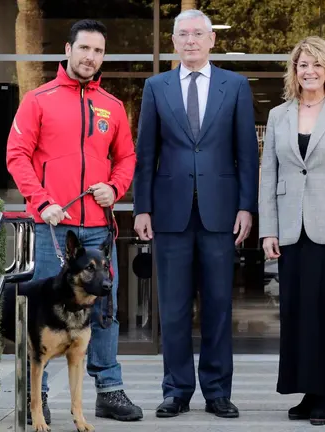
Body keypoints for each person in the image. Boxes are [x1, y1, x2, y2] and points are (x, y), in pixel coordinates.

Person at [6, 19, 143, 423]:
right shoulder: (38, 99)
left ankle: (110, 391)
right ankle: (39, 396)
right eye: (84, 48)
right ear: (68, 50)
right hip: (53, 228)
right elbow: (17, 154)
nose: (90, 57)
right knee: (44, 313)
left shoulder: (113, 107)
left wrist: (115, 188)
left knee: (104, 313)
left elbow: (127, 158)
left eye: (98, 51)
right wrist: (41, 200)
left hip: (97, 228)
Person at [132, 8, 258, 419]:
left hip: (221, 214)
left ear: (211, 41)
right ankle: (177, 390)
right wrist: (142, 208)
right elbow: (146, 153)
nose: (190, 41)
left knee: (220, 304)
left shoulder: (235, 86)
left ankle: (218, 391)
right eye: (182, 34)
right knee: (173, 307)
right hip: (169, 215)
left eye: (197, 34)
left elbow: (246, 154)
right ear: (173, 41)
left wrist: (246, 206)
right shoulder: (156, 87)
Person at [258, 36, 325, 427]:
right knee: (297, 312)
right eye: (303, 64)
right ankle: (305, 389)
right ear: (294, 70)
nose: (309, 71)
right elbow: (267, 174)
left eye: (316, 64)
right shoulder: (278, 115)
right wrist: (267, 230)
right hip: (290, 229)